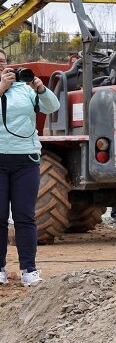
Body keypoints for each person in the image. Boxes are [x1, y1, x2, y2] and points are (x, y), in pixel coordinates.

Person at [0, 50, 60, 286]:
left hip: (26, 160)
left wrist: (40, 88)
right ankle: (0, 269)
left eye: (4, 62)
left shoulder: (24, 89)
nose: (3, 66)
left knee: (25, 216)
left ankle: (29, 269)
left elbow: (52, 107)